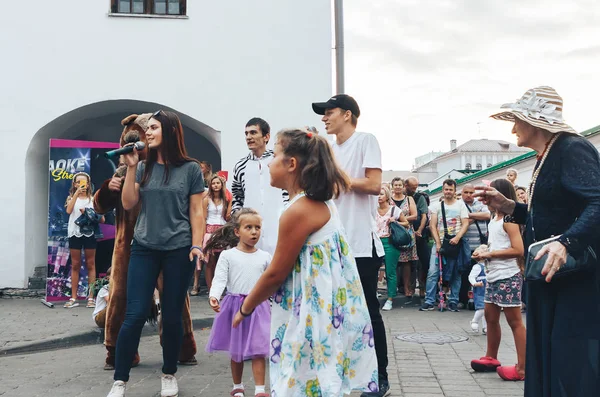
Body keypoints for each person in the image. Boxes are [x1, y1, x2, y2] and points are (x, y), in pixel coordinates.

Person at [232, 129, 378, 396]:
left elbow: (276, 273)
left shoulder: (298, 210)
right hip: (321, 307)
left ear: (291, 164)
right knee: (316, 379)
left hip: (310, 311)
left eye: (274, 155)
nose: (268, 163)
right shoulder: (318, 203)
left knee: (299, 378)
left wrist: (245, 307)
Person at [475, 86, 600, 396]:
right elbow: (552, 213)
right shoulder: (548, 153)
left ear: (536, 121)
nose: (513, 127)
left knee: (570, 354)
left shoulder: (572, 148)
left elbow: (597, 201)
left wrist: (568, 243)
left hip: (573, 278)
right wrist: (509, 207)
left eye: (517, 119)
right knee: (548, 351)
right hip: (549, 275)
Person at [106, 110, 206, 397]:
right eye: (146, 128)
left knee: (172, 316)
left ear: (170, 131)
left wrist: (197, 245)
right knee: (134, 314)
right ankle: (120, 380)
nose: (147, 132)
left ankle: (169, 374)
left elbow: (197, 212)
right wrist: (131, 169)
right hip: (145, 249)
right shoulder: (143, 166)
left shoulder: (191, 169)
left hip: (178, 250)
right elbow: (128, 203)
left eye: (153, 127)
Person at [312, 94, 390, 397]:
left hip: (360, 244)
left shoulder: (365, 140)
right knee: (335, 315)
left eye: (328, 113)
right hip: (332, 243)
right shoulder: (328, 148)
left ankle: (379, 376)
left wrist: (337, 177)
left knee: (368, 312)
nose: (324, 118)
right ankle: (341, 375)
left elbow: (373, 185)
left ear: (347, 114)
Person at [206, 208, 271, 397]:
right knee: (237, 349)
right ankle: (237, 386)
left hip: (259, 307)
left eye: (257, 227)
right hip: (234, 306)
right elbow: (220, 278)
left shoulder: (265, 257)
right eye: (248, 227)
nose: (254, 232)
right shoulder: (228, 256)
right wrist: (214, 296)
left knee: (259, 348)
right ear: (237, 231)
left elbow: (271, 283)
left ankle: (260, 389)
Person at [470, 179, 526, 381]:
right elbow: (496, 244)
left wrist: (490, 255)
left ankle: (523, 366)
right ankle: (491, 357)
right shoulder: (494, 217)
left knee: (515, 321)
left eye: (488, 195)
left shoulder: (510, 219)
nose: (484, 199)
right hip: (493, 275)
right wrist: (484, 250)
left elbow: (518, 250)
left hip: (508, 275)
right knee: (490, 317)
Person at [231, 117, 287, 255]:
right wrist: (237, 219)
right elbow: (237, 196)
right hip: (252, 232)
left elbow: (288, 191)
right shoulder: (240, 166)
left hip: (279, 227)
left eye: (253, 133)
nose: (248, 137)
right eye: (246, 134)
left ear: (266, 136)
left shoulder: (278, 160)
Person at [420, 179, 469, 312]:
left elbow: (465, 223)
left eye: (450, 189)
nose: (448, 192)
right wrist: (437, 243)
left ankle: (453, 301)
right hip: (440, 243)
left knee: (456, 273)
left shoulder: (460, 205)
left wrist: (458, 237)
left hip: (456, 244)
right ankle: (429, 300)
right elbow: (432, 225)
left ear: (454, 191)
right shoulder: (437, 206)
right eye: (446, 189)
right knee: (433, 272)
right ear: (443, 190)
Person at [64, 172, 104, 309]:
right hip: (74, 233)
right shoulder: (71, 198)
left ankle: (91, 297)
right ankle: (73, 297)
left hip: (89, 233)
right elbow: (69, 211)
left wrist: (89, 213)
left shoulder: (93, 199)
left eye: (85, 182)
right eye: (79, 182)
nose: (82, 185)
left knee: (91, 264)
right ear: (74, 184)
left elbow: (102, 218)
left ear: (88, 184)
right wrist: (76, 194)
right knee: (75, 264)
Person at [191, 174, 231, 295]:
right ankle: (211, 291)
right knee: (210, 263)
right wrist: (203, 236)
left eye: (218, 183)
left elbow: (228, 215)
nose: (215, 185)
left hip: (223, 231)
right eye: (213, 183)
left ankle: (222, 289)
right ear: (210, 185)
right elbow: (203, 218)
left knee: (223, 262)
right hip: (210, 231)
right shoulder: (206, 200)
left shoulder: (226, 199)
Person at [376, 186, 409, 311]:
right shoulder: (373, 210)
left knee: (390, 271)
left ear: (387, 196)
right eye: (377, 194)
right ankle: (374, 294)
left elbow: (406, 223)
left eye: (382, 194)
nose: (379, 196)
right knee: (373, 270)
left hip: (390, 241)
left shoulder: (394, 210)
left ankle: (390, 298)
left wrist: (394, 221)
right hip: (376, 242)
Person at [459, 184, 491, 308]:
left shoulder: (481, 203)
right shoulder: (459, 204)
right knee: (464, 273)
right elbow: (460, 219)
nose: (468, 195)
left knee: (480, 273)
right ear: (462, 193)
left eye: (471, 192)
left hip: (480, 246)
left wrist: (468, 215)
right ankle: (463, 299)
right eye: (466, 192)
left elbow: (487, 215)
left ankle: (479, 300)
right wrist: (476, 215)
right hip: (464, 245)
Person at [390, 177, 419, 301]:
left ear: (403, 186)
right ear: (392, 186)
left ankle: (407, 287)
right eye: (395, 185)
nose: (397, 187)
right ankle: (393, 288)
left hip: (406, 233)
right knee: (392, 261)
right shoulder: (388, 199)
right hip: (391, 232)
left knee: (406, 262)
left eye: (399, 185)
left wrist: (399, 219)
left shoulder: (409, 199)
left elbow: (415, 215)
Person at [404, 177, 430, 299]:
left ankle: (422, 288)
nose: (414, 189)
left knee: (423, 263)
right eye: (412, 187)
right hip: (404, 235)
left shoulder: (420, 197)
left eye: (416, 187)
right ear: (406, 185)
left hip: (419, 235)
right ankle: (408, 287)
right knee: (407, 263)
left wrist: (419, 230)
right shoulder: (401, 197)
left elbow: (424, 216)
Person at [468, 250, 486, 333]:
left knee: (488, 310)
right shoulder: (478, 267)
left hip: (489, 289)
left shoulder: (490, 265)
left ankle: (486, 326)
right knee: (481, 308)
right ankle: (475, 321)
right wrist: (474, 283)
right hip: (480, 290)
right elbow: (471, 277)